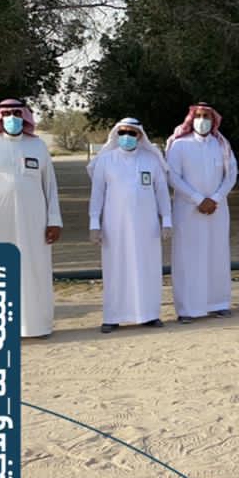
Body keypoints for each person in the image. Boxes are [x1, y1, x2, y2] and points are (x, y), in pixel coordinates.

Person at [0, 98, 62, 338]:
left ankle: (36, 325)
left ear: (24, 116)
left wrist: (54, 220)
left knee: (34, 268)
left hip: (35, 221)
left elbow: (50, 185)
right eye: (7, 113)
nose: (12, 118)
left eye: (17, 113)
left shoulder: (37, 146)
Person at [88, 118, 172, 333]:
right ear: (116, 135)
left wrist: (167, 220)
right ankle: (113, 316)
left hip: (147, 226)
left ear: (140, 136)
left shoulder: (151, 160)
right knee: (115, 269)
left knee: (148, 268)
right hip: (115, 227)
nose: (127, 137)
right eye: (122, 132)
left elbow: (162, 192)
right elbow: (97, 194)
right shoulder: (105, 161)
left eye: (132, 133)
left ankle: (149, 314)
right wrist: (94, 224)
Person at [165, 102, 237, 323]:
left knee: (217, 254)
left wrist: (215, 199)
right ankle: (188, 308)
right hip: (188, 211)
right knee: (188, 258)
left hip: (217, 209)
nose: (202, 120)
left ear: (213, 120)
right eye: (198, 116)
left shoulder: (221, 145)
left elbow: (231, 175)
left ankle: (218, 303)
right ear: (191, 118)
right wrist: (198, 199)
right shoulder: (179, 145)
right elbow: (172, 176)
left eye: (207, 116)